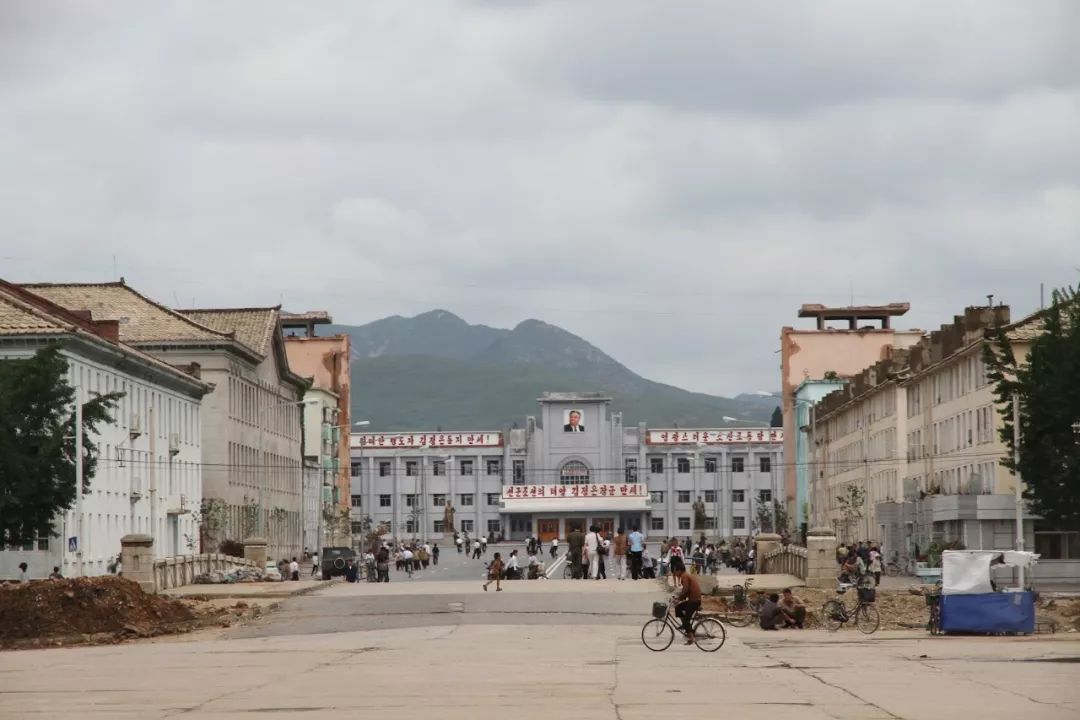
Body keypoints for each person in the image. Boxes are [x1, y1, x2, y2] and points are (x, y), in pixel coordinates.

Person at [668, 557, 701, 644]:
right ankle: (685, 626)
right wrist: (679, 599)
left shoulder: (684, 576)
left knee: (686, 619)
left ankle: (691, 637)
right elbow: (687, 591)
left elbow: (686, 589)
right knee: (678, 607)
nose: (675, 573)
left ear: (679, 570)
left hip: (694, 601)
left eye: (675, 571)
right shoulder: (685, 575)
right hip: (693, 599)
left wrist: (679, 598)